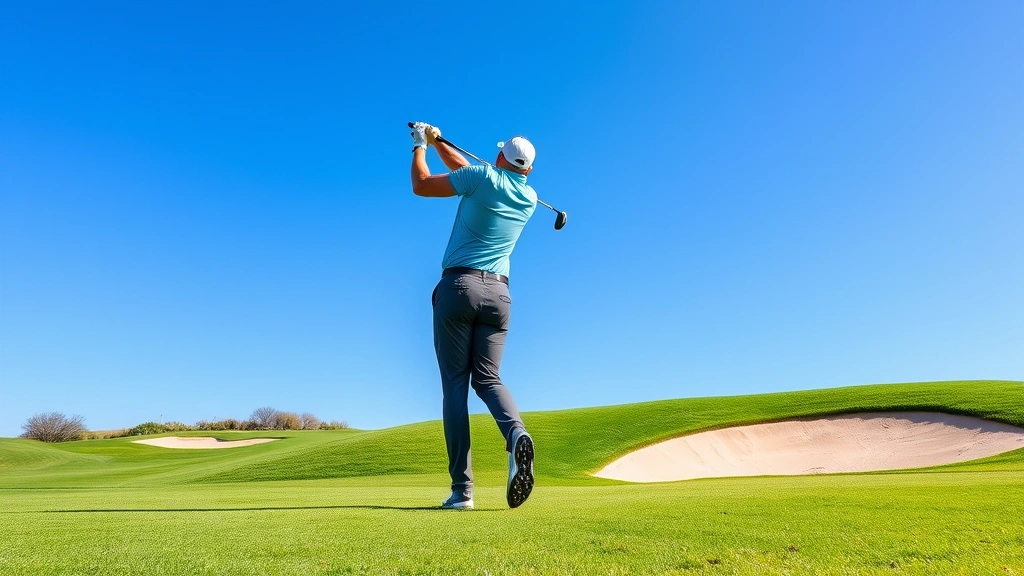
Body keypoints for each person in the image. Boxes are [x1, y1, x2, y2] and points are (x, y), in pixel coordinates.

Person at [408, 121, 536, 510]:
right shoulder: (529, 198)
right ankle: (516, 436)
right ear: (527, 170)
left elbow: (423, 184)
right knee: (489, 378)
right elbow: (469, 172)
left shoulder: (481, 177)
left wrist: (420, 146)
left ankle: (462, 491)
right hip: (499, 296)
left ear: (499, 157)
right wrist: (440, 140)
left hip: (459, 288)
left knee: (455, 388)